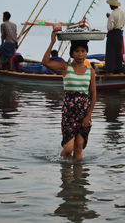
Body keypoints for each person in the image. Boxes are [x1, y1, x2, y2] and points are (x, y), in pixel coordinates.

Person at [42, 30, 96, 161]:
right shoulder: (65, 67)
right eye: (77, 51)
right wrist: (52, 42)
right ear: (72, 53)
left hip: (84, 114)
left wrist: (88, 116)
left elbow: (93, 95)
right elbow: (45, 62)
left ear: (86, 53)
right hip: (69, 114)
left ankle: (78, 180)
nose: (80, 54)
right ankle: (65, 175)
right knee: (68, 149)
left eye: (83, 51)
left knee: (78, 149)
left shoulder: (90, 71)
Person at [105, 0, 125, 74]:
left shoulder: (113, 14)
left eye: (110, 5)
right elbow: (120, 22)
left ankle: (110, 70)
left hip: (112, 34)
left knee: (110, 52)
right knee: (118, 52)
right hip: (119, 34)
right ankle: (118, 69)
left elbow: (110, 27)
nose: (109, 6)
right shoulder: (123, 13)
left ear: (112, 5)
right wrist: (109, 17)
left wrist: (109, 17)